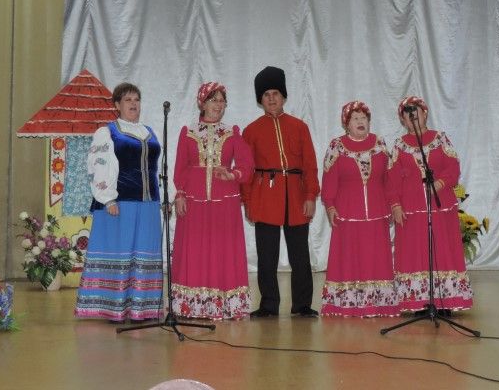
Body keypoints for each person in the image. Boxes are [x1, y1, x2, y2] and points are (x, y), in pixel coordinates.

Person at [75, 82, 164, 322]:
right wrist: (108, 199)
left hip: (148, 205)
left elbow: (156, 169)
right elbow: (99, 166)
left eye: (136, 99)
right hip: (122, 203)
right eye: (128, 100)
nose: (133, 104)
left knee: (144, 254)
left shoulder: (149, 131)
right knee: (121, 253)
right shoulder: (108, 132)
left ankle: (142, 308)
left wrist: (165, 197)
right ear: (117, 105)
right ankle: (114, 308)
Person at [170, 82, 254, 320]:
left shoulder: (232, 132)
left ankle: (225, 303)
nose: (218, 105)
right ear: (202, 103)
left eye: (221, 100)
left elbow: (248, 166)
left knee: (222, 250)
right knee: (194, 249)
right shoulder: (188, 132)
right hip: (194, 201)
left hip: (225, 202)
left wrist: (232, 174)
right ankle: (192, 304)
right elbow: (180, 168)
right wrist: (180, 194)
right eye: (213, 100)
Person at [241, 66, 320, 318]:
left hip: (296, 196)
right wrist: (248, 202)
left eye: (275, 93)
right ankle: (268, 305)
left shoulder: (299, 127)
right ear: (260, 100)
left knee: (300, 255)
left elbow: (310, 165)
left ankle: (302, 304)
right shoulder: (251, 131)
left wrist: (310, 196)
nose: (272, 98)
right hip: (265, 197)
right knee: (267, 256)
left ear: (283, 96)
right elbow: (246, 171)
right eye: (266, 95)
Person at [389, 95, 473, 315]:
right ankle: (420, 301)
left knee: (442, 250)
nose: (412, 115)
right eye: (407, 113)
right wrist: (395, 205)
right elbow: (391, 179)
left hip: (440, 206)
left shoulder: (440, 139)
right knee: (415, 253)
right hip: (411, 211)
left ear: (425, 113)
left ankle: (445, 301)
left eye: (416, 110)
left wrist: (440, 183)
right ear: (403, 120)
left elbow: (453, 167)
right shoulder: (398, 145)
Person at [320, 101, 402, 317]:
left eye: (363, 118)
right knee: (349, 258)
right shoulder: (337, 146)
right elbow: (329, 179)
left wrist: (394, 204)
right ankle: (348, 303)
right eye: (355, 118)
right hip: (347, 213)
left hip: (377, 211)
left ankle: (380, 304)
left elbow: (389, 179)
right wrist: (330, 205)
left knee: (376, 258)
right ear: (346, 124)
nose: (360, 122)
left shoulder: (380, 144)